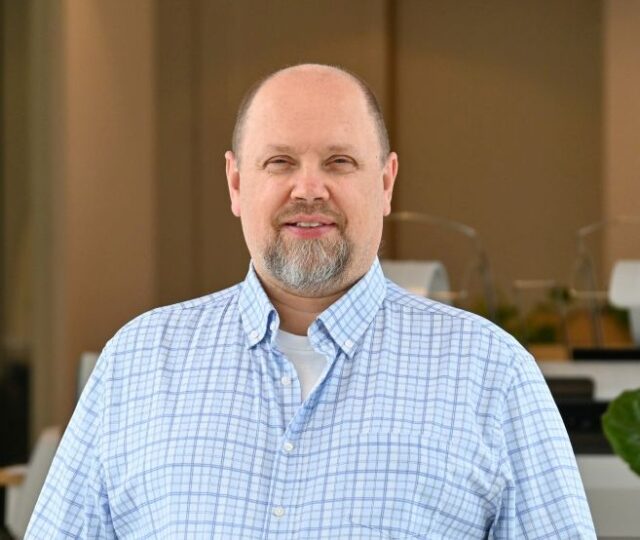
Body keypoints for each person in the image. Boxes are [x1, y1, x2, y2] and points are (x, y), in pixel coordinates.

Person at [27, 64, 595, 539]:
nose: (308, 189)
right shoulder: (136, 363)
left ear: (386, 182)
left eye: (339, 162)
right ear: (235, 183)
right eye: (279, 162)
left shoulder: (492, 373)